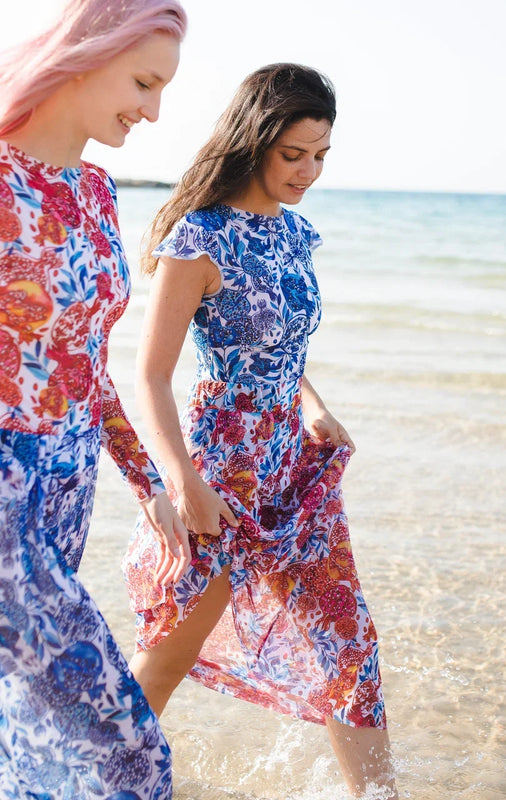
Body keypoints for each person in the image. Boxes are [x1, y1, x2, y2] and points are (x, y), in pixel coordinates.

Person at [123, 63, 399, 798]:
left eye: (321, 156)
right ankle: (90, 781)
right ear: (255, 142)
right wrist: (184, 483)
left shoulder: (297, 233)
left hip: (294, 472)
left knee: (350, 647)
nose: (308, 172)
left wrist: (311, 402)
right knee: (169, 655)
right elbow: (151, 375)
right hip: (222, 474)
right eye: (293, 154)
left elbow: (283, 345)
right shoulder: (199, 239)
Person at [0, 1, 190, 797]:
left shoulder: (97, 191)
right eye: (144, 83)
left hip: (70, 486)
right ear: (86, 54)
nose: (154, 111)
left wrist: (150, 483)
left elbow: (84, 364)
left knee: (30, 743)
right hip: (6, 489)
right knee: (127, 753)